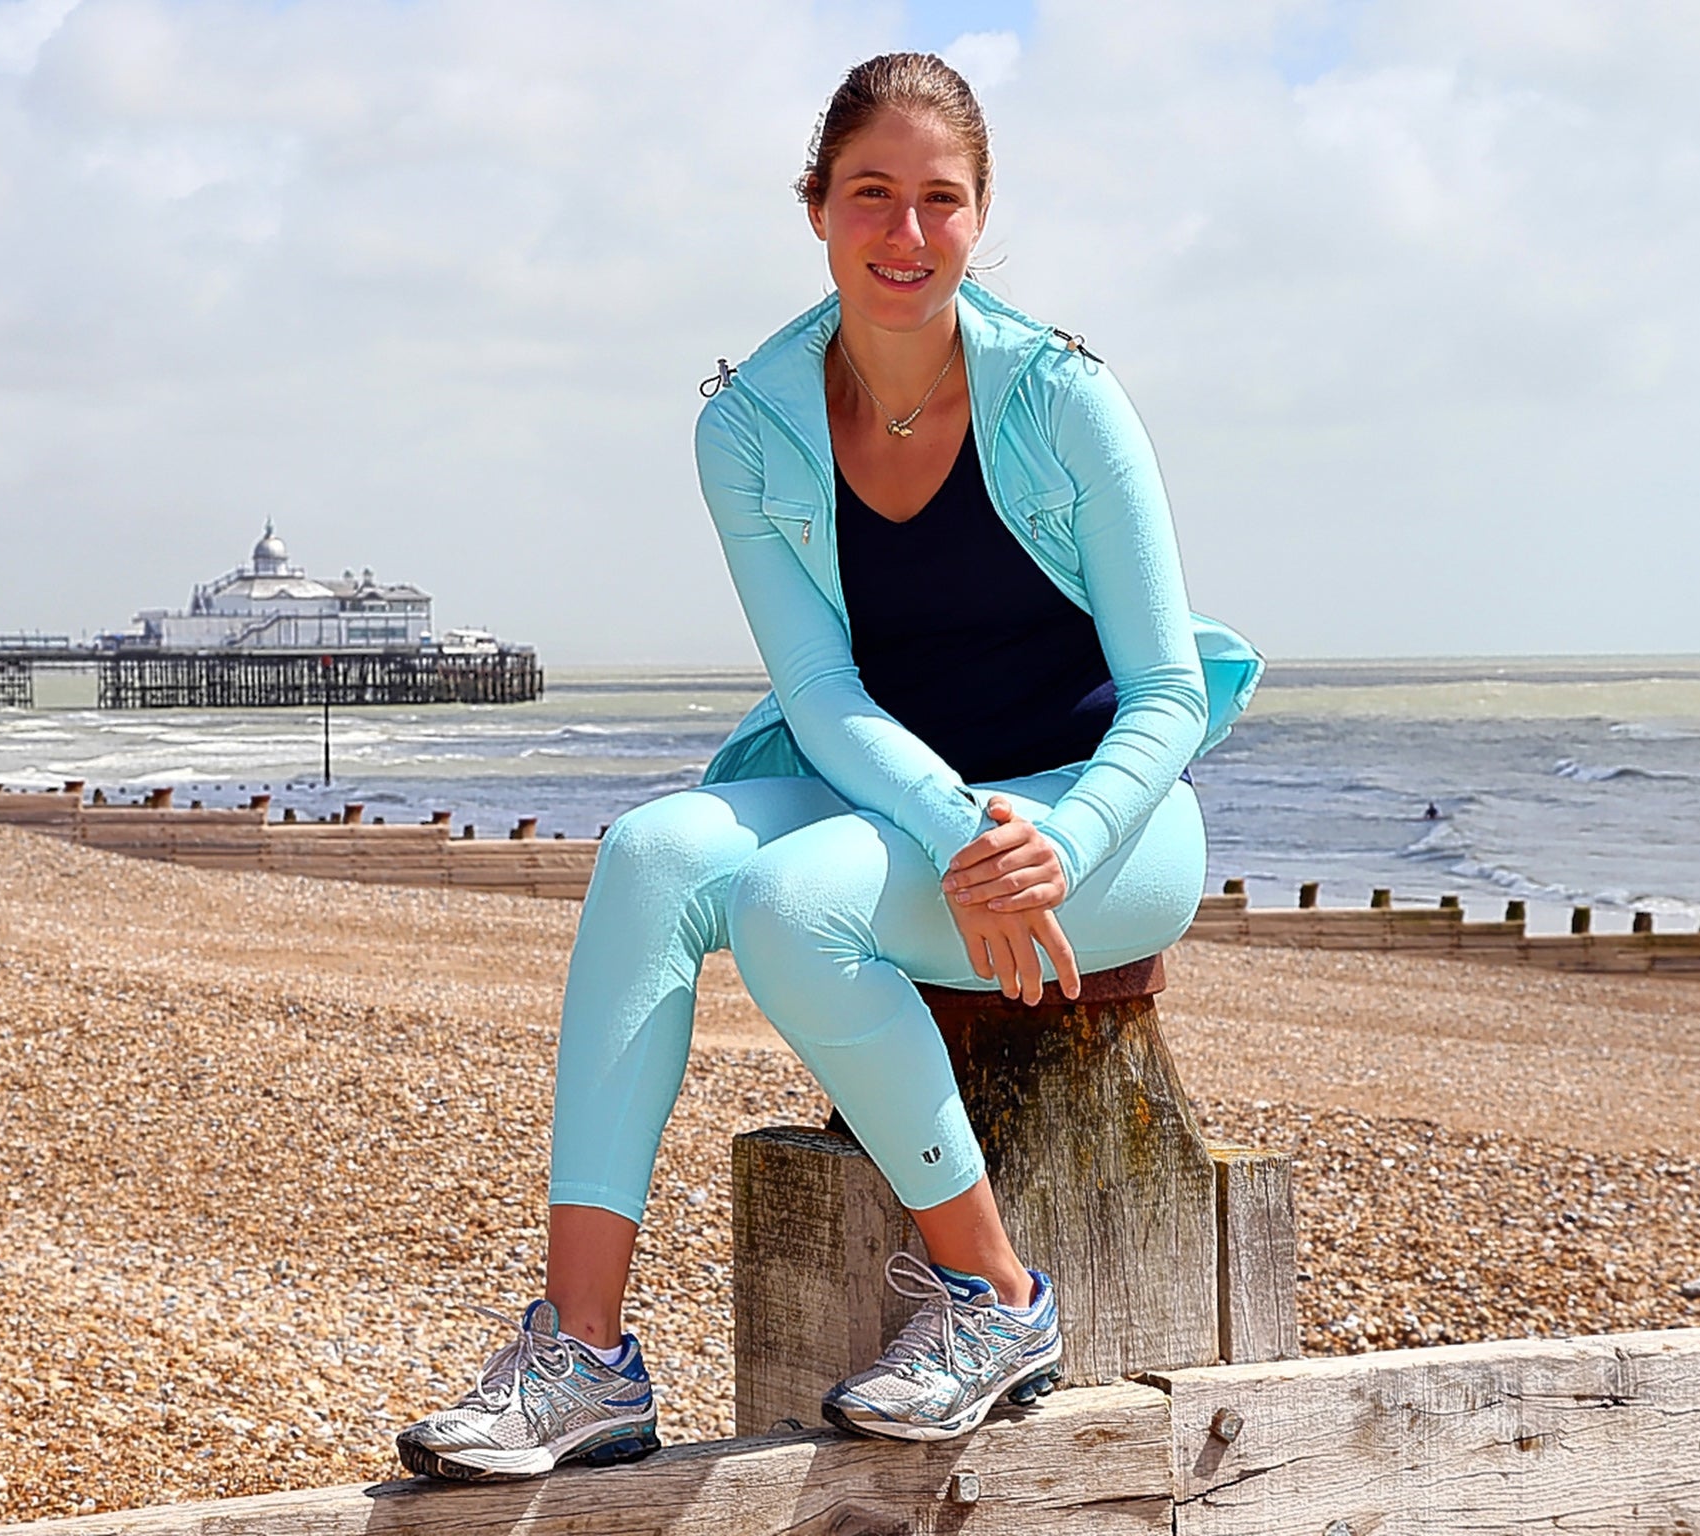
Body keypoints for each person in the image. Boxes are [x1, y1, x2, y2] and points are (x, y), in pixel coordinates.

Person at [394, 52, 1261, 1481]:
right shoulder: (749, 424)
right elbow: (820, 691)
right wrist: (955, 831)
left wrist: (1048, 838)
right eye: (874, 195)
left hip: (1110, 820)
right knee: (651, 855)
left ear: (982, 218)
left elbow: (1168, 692)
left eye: (941, 200)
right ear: (817, 208)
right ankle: (584, 1358)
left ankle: (996, 1303)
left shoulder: (1064, 398)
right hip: (901, 800)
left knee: (799, 903)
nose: (905, 235)